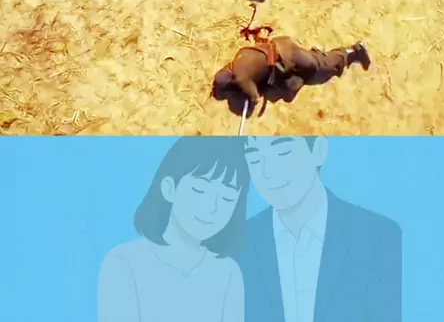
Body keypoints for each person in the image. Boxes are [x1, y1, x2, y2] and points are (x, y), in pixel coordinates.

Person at [235, 136, 402, 322]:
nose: (268, 172)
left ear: (319, 150)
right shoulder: (236, 245)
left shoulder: (378, 237)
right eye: (254, 160)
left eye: (283, 152)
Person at [98, 137, 248, 322]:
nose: (212, 207)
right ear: (169, 188)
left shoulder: (228, 272)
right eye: (199, 190)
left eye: (227, 198)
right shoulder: (124, 262)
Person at [212, 26, 371, 118]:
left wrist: (246, 96)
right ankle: (317, 54)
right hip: (281, 49)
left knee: (319, 68)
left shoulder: (241, 78)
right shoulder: (240, 56)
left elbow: (253, 98)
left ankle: (355, 51)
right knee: (302, 76)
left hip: (288, 57)